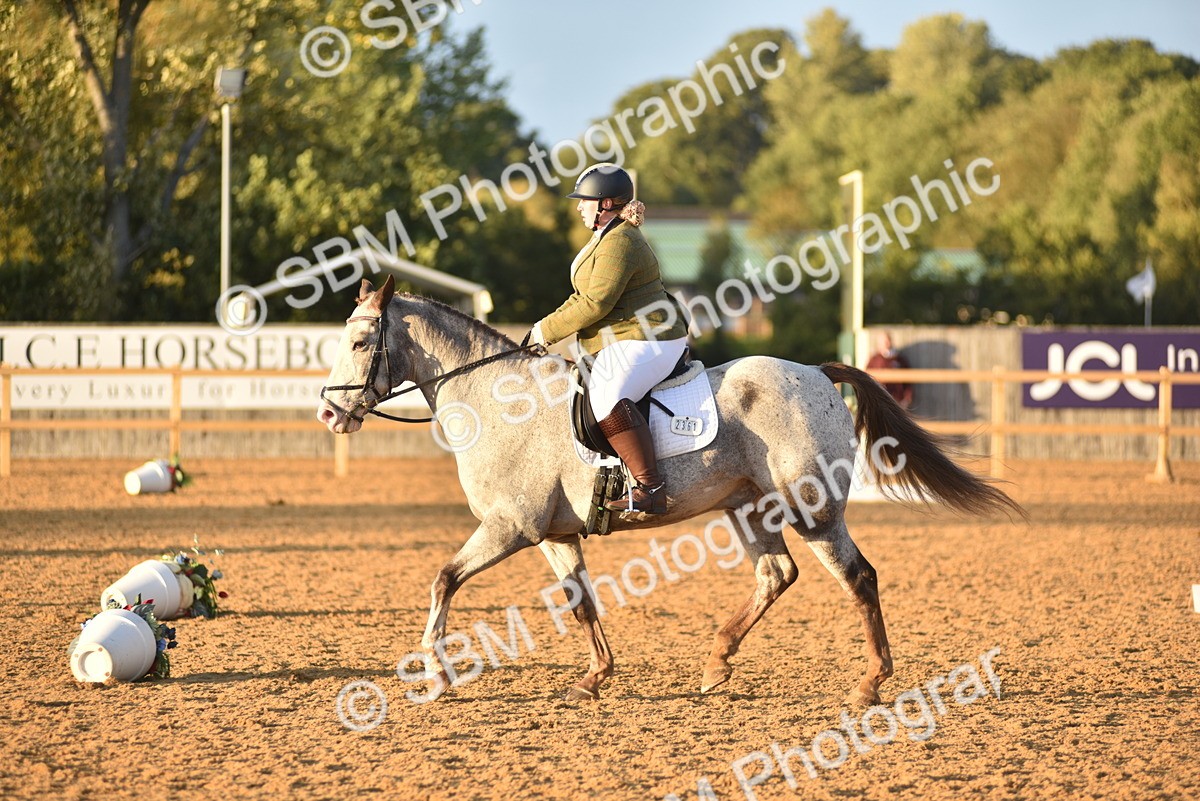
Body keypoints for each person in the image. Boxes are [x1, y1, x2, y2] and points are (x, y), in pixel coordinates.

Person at [529, 163, 689, 514]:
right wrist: (543, 327)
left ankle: (652, 487)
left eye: (584, 200)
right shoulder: (606, 236)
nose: (578, 206)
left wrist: (545, 333)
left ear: (605, 203)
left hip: (652, 338)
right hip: (628, 335)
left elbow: (596, 303)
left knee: (607, 397)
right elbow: (581, 295)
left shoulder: (622, 241)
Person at [865, 331, 913, 409]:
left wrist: (907, 399)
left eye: (887, 340)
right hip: (880, 402)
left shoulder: (900, 360)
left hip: (898, 402)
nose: (885, 343)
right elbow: (867, 380)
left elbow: (908, 382)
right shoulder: (874, 360)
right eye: (883, 341)